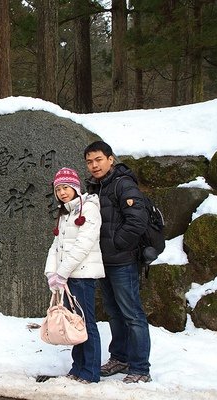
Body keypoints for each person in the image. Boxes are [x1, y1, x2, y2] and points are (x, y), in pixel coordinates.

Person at [83, 140, 152, 384]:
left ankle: (141, 368)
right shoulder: (94, 187)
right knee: (114, 313)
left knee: (132, 313)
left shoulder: (123, 184)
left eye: (98, 159)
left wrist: (117, 244)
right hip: (103, 262)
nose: (94, 165)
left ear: (111, 159)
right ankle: (120, 357)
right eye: (90, 161)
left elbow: (137, 221)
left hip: (122, 261)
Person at [45, 167, 105, 384]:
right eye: (58, 189)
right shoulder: (65, 212)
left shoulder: (88, 209)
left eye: (65, 188)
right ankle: (78, 367)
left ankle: (90, 372)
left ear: (75, 187)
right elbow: (56, 245)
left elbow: (83, 245)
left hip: (82, 275)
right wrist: (52, 272)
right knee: (74, 323)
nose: (62, 192)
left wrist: (62, 272)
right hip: (67, 276)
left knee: (86, 322)